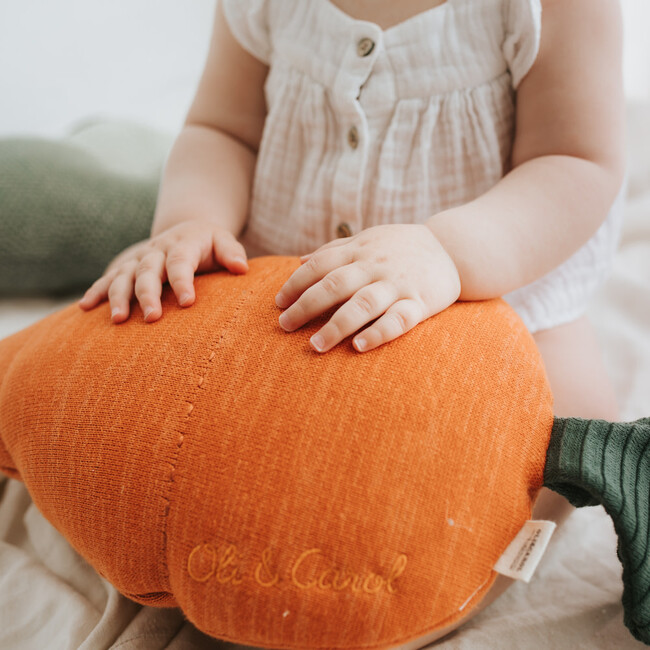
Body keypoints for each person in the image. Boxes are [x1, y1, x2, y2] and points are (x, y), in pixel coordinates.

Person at [79, 0, 625, 645]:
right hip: (294, 294)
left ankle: (420, 600)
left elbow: (575, 162)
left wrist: (447, 251)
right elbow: (224, 130)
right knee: (153, 416)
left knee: (569, 430)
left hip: (490, 284)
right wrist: (193, 221)